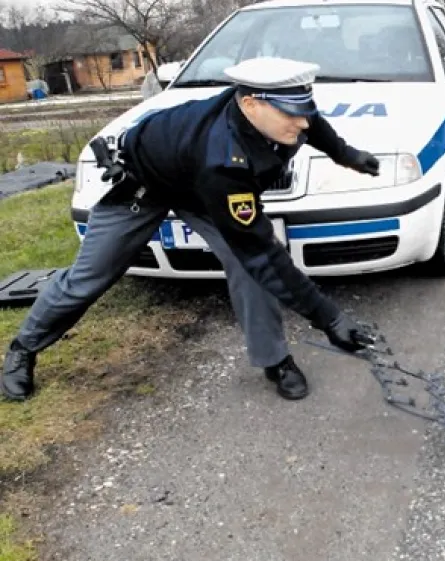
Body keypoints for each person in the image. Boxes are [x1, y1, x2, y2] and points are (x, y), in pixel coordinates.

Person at [2, 56, 379, 403]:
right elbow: (264, 254)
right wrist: (330, 318)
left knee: (246, 266)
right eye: (292, 116)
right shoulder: (223, 159)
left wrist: (348, 155)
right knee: (90, 276)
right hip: (147, 186)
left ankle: (275, 360)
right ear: (249, 104)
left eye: (304, 113)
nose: (302, 124)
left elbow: (310, 122)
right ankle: (22, 350)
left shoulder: (276, 114)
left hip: (200, 188)